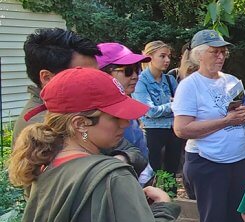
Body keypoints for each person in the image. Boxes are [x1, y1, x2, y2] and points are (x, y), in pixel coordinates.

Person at [14, 68, 182, 222]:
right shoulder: (113, 177)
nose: (125, 123)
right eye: (114, 117)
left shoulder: (45, 166)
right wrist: (163, 209)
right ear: (80, 124)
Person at [173, 29, 245, 222]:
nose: (220, 56)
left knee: (237, 216)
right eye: (214, 52)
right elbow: (182, 129)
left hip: (239, 159)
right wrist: (226, 121)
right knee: (214, 221)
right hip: (208, 162)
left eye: (223, 51)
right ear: (199, 55)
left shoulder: (232, 81)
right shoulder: (190, 86)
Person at [15, 29, 147, 176]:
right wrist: (113, 170)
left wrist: (119, 160)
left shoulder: (83, 108)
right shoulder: (45, 123)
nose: (98, 79)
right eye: (82, 73)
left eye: (98, 73)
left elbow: (136, 153)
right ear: (47, 78)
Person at [14, 28, 101, 141]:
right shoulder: (43, 126)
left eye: (98, 75)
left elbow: (127, 148)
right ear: (47, 78)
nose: (97, 83)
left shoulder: (77, 106)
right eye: (83, 77)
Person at [97, 42, 155, 185]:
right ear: (104, 72)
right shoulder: (96, 111)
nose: (136, 76)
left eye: (137, 69)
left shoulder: (127, 101)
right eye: (128, 70)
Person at [134, 41, 183, 175]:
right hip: (152, 132)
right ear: (149, 57)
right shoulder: (140, 81)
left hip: (173, 131)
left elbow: (183, 105)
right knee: (151, 172)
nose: (167, 60)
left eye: (168, 56)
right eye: (162, 56)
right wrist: (172, 104)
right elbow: (149, 111)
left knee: (171, 172)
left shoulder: (170, 80)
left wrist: (170, 106)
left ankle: (169, 196)